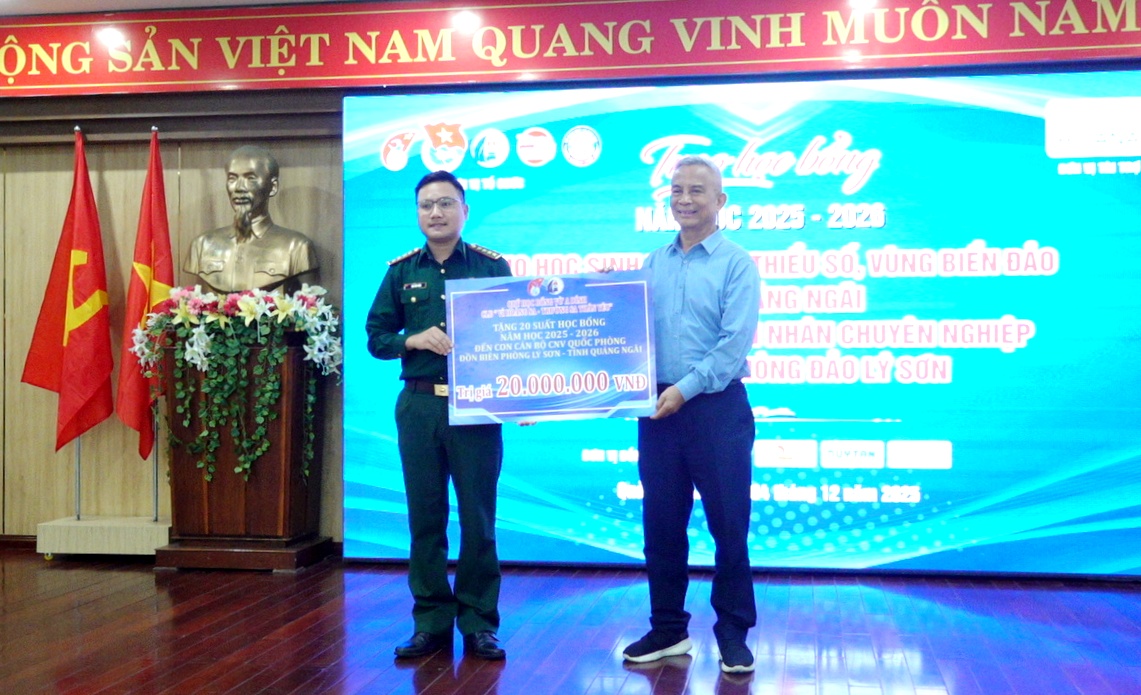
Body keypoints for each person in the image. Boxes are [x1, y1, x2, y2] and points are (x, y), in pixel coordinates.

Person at [622, 155, 761, 673]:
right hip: (658, 410)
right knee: (661, 525)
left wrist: (684, 389)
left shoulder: (737, 264)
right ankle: (668, 629)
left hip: (716, 409)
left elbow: (732, 346)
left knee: (729, 524)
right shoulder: (651, 264)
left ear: (720, 200)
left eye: (697, 191)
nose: (684, 199)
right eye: (677, 190)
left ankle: (732, 632)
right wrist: (600, 296)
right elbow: (624, 333)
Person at [365, 170, 511, 661]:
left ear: (464, 210)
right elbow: (376, 337)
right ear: (417, 213)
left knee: (478, 520)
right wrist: (412, 339)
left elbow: (516, 335)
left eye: (446, 203)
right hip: (420, 405)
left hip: (477, 406)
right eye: (427, 205)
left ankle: (479, 623)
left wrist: (521, 397)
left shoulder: (491, 266)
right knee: (425, 519)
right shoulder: (401, 271)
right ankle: (430, 622)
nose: (436, 213)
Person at [184, 145, 318, 294]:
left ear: (273, 187)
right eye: (232, 178)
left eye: (250, 178)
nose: (239, 188)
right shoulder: (202, 245)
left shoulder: (297, 247)